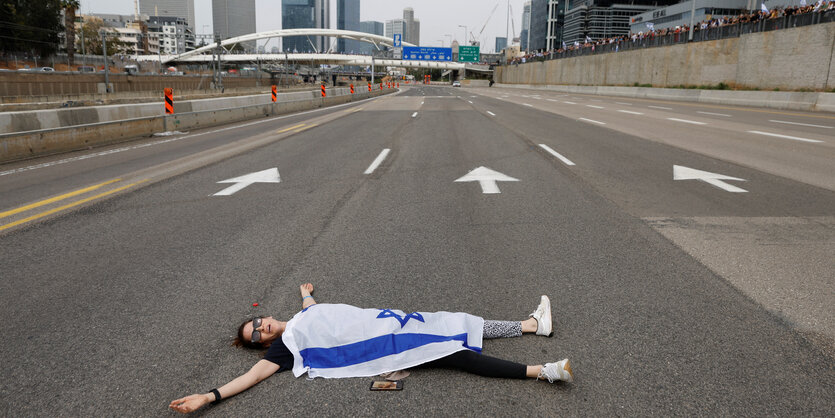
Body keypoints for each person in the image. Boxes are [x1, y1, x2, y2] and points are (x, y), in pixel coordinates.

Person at [169, 283, 574, 414]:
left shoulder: (299, 318)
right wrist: (210, 395)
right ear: (264, 344)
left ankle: (532, 326)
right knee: (457, 354)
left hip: (392, 321)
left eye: (256, 323)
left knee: (454, 323)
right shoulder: (287, 347)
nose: (261, 328)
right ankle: (544, 371)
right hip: (387, 344)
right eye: (255, 335)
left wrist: (305, 293)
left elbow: (316, 311)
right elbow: (252, 375)